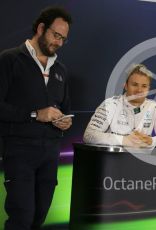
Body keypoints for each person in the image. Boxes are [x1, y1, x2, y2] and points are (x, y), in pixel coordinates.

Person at [0, 7, 72, 230]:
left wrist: (65, 122)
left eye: (63, 39)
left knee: (39, 216)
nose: (59, 42)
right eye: (55, 35)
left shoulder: (61, 70)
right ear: (41, 28)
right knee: (21, 217)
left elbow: (66, 108)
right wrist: (35, 114)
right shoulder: (9, 59)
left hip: (50, 153)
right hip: (19, 150)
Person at [83, 64, 156, 147]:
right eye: (135, 84)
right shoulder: (110, 104)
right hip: (112, 161)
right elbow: (89, 135)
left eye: (144, 86)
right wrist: (124, 140)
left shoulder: (155, 107)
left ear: (148, 89)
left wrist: (152, 140)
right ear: (126, 86)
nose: (139, 90)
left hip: (141, 162)